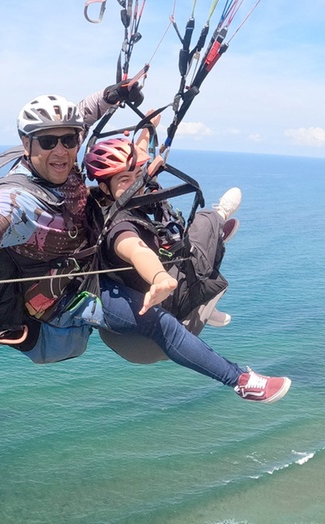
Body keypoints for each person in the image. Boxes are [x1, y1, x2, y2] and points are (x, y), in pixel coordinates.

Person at [0, 86, 140, 364]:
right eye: (48, 141)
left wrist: (112, 95)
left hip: (78, 281)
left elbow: (84, 115)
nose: (61, 150)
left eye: (69, 140)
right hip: (50, 323)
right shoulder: (21, 197)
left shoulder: (58, 153)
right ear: (27, 144)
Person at [85, 136, 291, 403]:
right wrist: (158, 277)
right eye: (125, 181)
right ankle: (242, 382)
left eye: (137, 176)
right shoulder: (118, 226)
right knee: (205, 223)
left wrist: (147, 134)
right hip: (151, 302)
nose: (136, 185)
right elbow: (135, 248)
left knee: (187, 237)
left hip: (145, 282)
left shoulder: (105, 200)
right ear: (104, 186)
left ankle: (206, 288)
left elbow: (137, 176)